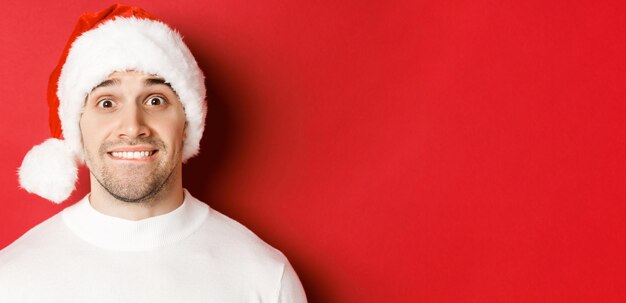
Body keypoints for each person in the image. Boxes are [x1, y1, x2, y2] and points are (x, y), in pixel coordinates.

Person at [0, 4, 307, 302]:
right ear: (76, 128)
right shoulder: (12, 280)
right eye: (107, 103)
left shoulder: (265, 278)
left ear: (188, 122)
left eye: (155, 100)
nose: (133, 128)